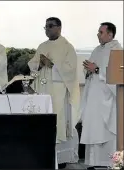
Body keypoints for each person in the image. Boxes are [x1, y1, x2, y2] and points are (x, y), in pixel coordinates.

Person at [28, 17, 81, 168]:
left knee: (57, 122)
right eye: (45, 27)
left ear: (59, 27)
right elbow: (33, 64)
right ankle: (41, 156)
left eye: (50, 26)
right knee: (42, 119)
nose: (47, 29)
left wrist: (52, 65)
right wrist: (38, 64)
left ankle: (60, 159)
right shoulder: (42, 45)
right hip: (42, 89)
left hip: (58, 91)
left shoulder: (67, 47)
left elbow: (71, 70)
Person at [80, 22, 122, 169]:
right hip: (94, 96)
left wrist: (96, 69)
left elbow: (118, 75)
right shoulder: (97, 50)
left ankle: (110, 162)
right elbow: (91, 69)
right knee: (93, 127)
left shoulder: (117, 50)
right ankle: (93, 162)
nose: (98, 34)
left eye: (101, 32)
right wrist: (89, 70)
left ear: (110, 34)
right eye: (98, 32)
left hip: (107, 98)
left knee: (107, 130)